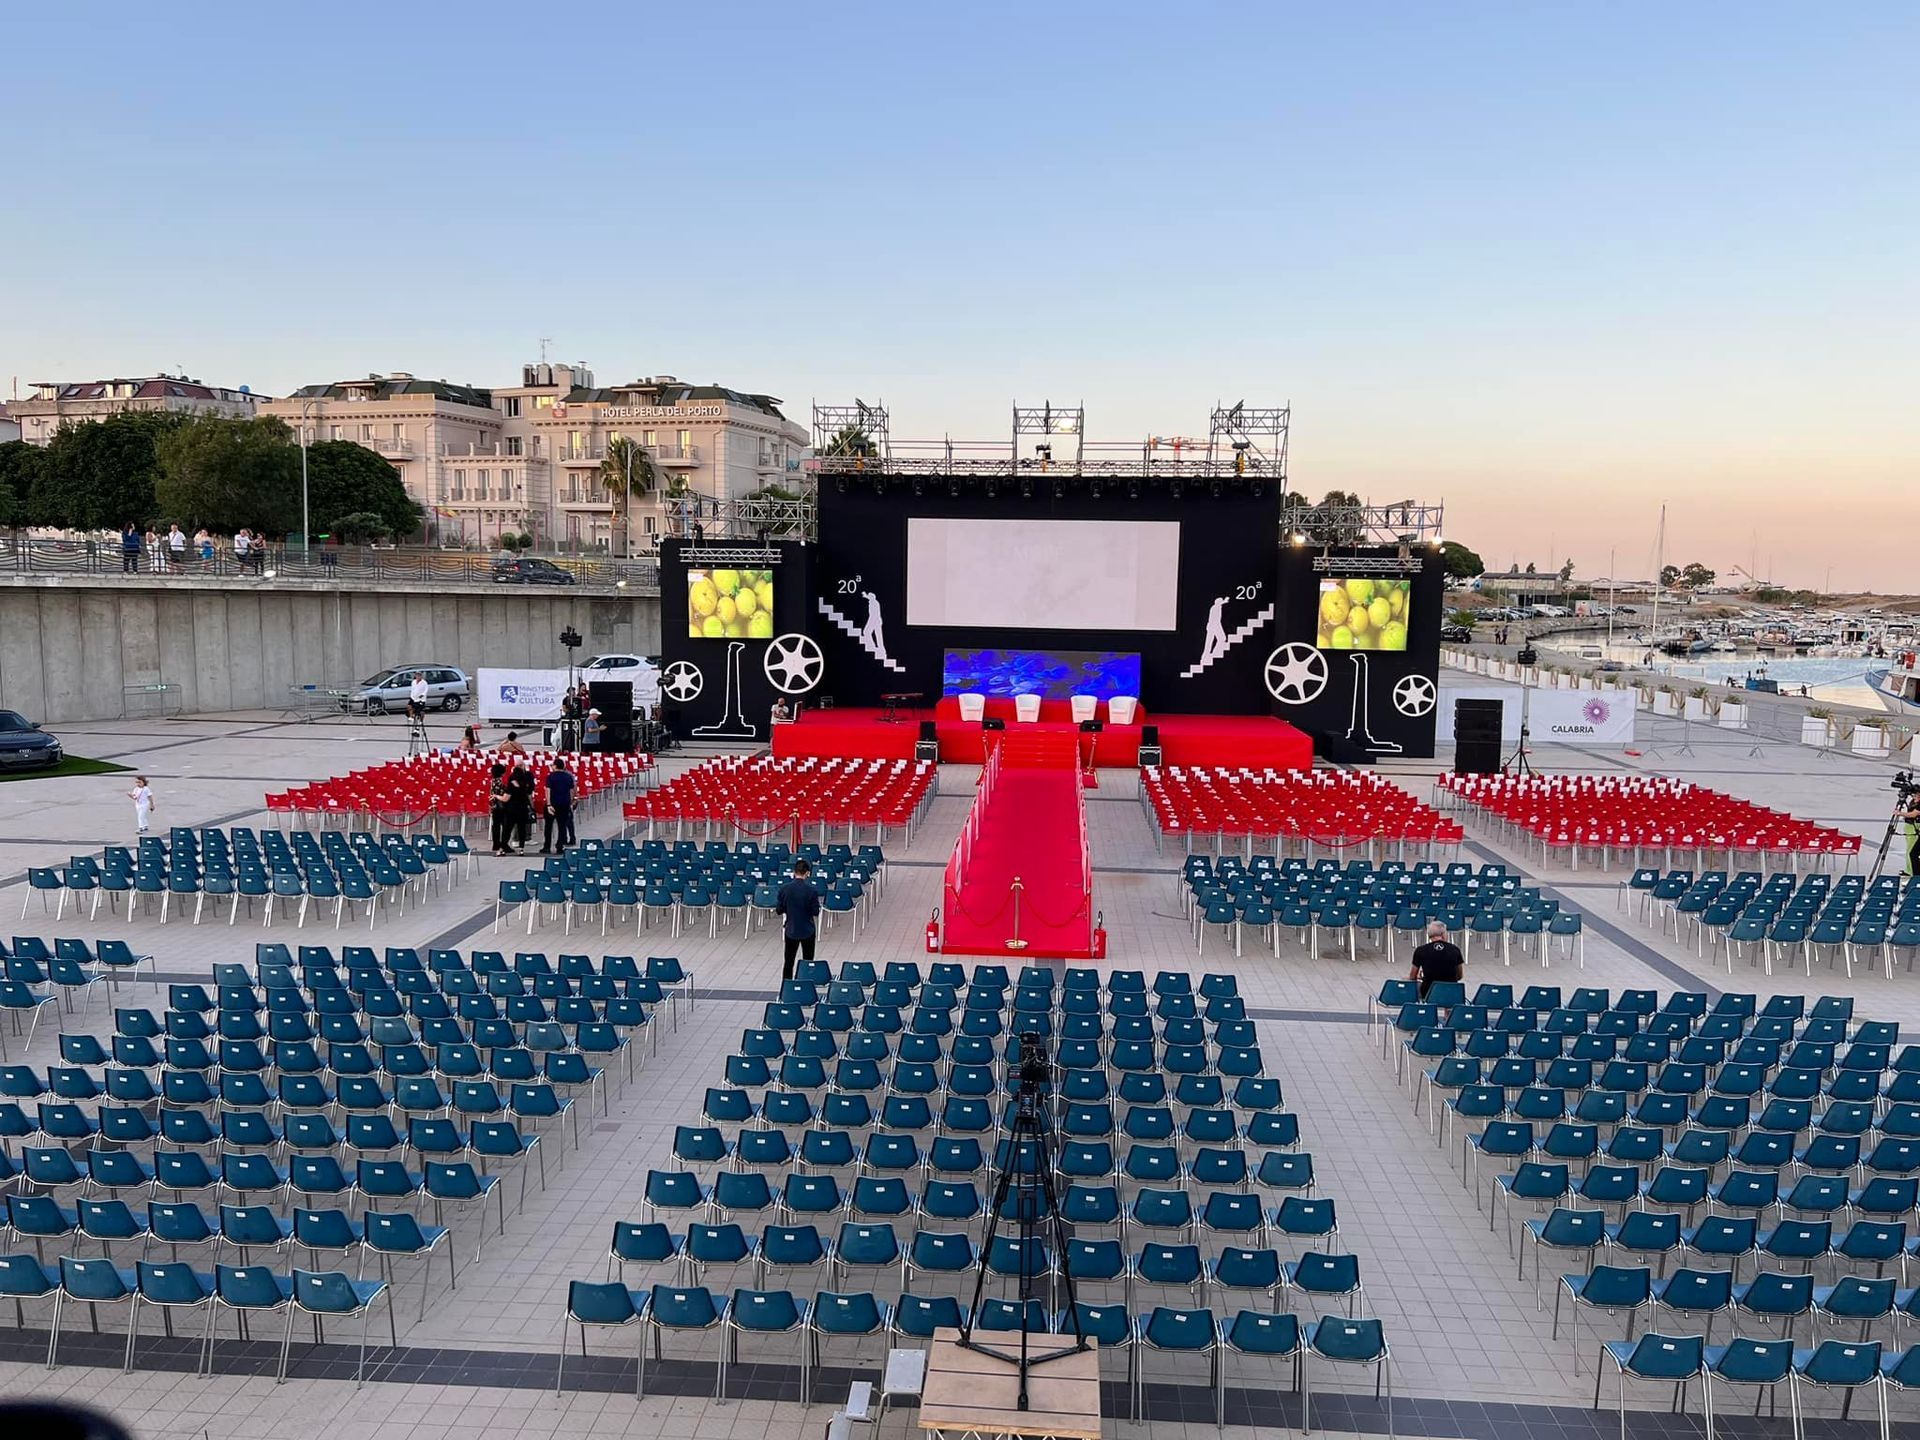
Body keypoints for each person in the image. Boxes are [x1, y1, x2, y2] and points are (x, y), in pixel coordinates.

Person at [775, 859, 822, 981]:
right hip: (807, 930)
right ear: (807, 873)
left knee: (789, 961)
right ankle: (805, 984)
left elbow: (779, 910)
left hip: (791, 929)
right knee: (808, 961)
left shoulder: (784, 889)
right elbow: (815, 912)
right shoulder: (811, 891)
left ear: (794, 872)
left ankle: (787, 985)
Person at [1408, 920, 1465, 999]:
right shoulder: (1455, 950)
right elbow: (1459, 975)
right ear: (1443, 934)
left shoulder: (1421, 950)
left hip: (1428, 992)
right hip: (1450, 992)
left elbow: (1412, 977)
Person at [541, 757, 577, 854]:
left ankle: (547, 846)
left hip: (553, 804)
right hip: (564, 804)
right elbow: (571, 791)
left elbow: (548, 790)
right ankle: (560, 846)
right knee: (562, 826)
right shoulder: (568, 777)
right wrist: (570, 802)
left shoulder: (551, 777)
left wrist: (548, 804)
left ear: (555, 766)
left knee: (548, 826)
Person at [506, 762, 537, 852]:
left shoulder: (528, 775)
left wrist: (531, 804)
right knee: (517, 822)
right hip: (515, 803)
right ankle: (516, 839)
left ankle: (527, 837)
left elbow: (530, 790)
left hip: (524, 801)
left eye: (521, 765)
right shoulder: (512, 777)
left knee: (527, 820)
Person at [488, 763, 512, 855]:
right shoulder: (501, 783)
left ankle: (496, 844)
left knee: (496, 826)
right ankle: (503, 844)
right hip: (502, 806)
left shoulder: (492, 781)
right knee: (505, 826)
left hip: (494, 806)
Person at [1902, 788, 1920, 878]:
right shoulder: (1913, 801)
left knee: (1912, 852)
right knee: (1911, 852)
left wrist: (1900, 813)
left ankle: (1913, 873)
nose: (1914, 796)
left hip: (1914, 827)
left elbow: (1914, 814)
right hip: (1909, 826)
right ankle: (1911, 871)